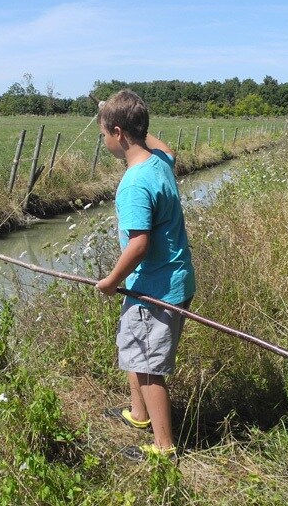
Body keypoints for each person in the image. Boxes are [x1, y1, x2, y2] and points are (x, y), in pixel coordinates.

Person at [95, 89, 196, 461]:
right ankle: (138, 416)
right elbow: (164, 144)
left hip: (157, 291)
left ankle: (163, 447)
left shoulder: (135, 182)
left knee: (151, 369)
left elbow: (138, 245)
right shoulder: (160, 162)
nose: (102, 138)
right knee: (135, 349)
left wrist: (109, 281)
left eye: (104, 131)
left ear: (118, 134)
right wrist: (117, 113)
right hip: (165, 282)